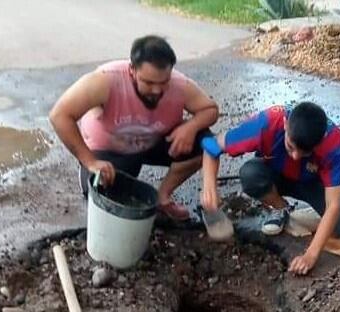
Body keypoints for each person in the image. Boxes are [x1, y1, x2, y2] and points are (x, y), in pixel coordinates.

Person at [50, 35, 219, 221]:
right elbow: (60, 116)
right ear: (132, 70)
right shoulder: (105, 81)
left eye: (163, 83)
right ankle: (91, 173)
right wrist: (89, 161)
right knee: (111, 205)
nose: (156, 90)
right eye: (148, 83)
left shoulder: (180, 85)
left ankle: (162, 198)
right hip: (111, 152)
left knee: (204, 141)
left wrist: (191, 126)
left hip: (152, 143)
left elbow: (210, 109)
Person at [200, 102, 340, 275]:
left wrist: (310, 255)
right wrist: (209, 187)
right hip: (277, 174)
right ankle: (281, 209)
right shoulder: (265, 124)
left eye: (305, 153)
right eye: (290, 147)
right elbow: (212, 146)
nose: (295, 157)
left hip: (314, 183)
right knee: (250, 174)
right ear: (285, 124)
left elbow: (332, 206)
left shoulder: (333, 142)